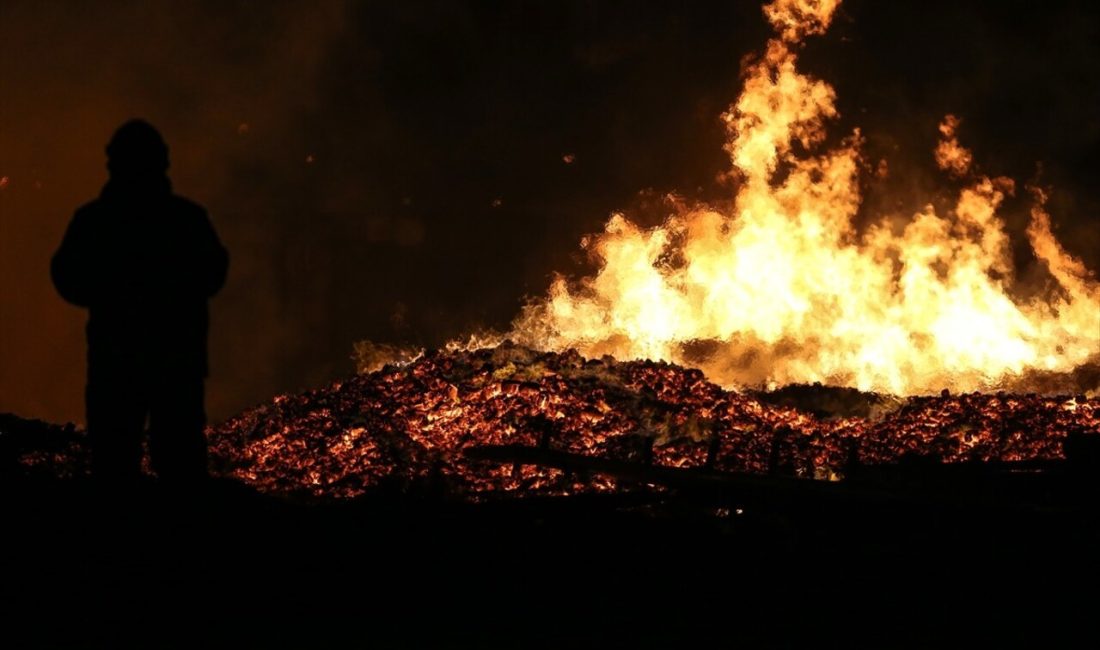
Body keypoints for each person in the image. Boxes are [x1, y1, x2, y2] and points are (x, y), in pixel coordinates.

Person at [52, 119, 228, 485]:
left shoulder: (96, 221)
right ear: (162, 163)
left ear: (113, 165)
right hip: (176, 360)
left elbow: (66, 277)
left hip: (116, 361)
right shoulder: (185, 220)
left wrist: (107, 295)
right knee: (180, 465)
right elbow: (213, 273)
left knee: (114, 464)